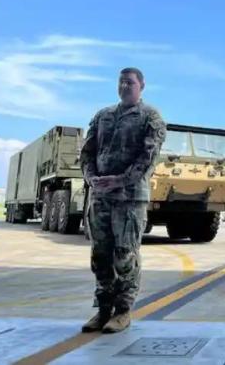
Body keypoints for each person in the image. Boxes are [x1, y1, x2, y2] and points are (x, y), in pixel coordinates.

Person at [80, 67, 166, 333]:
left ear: (141, 86)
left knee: (125, 255)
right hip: (101, 197)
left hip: (129, 198)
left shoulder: (150, 117)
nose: (124, 86)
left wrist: (119, 180)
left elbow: (147, 158)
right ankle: (103, 309)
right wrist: (91, 178)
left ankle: (123, 311)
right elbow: (87, 152)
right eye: (121, 82)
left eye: (130, 82)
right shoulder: (103, 116)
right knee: (100, 255)